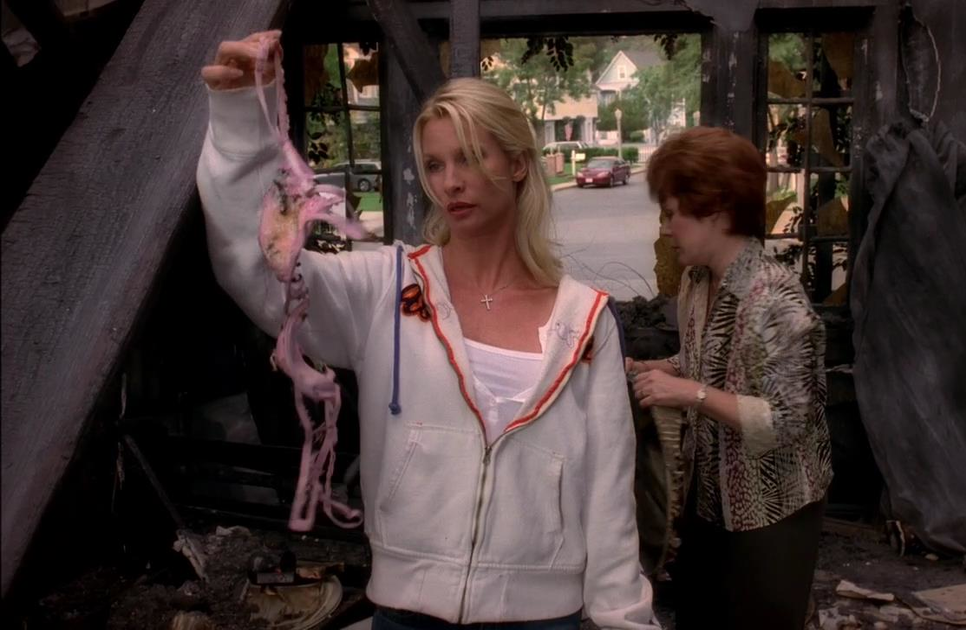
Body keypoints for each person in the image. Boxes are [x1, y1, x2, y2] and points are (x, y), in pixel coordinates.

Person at [198, 31, 659, 630]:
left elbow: (609, 495)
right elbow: (261, 268)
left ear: (519, 163)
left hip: (543, 615)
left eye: (470, 158)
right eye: (436, 165)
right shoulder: (386, 288)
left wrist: (625, 619)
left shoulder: (586, 320)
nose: (450, 182)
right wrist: (244, 121)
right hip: (405, 611)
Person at [626, 126, 832, 629]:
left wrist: (690, 393)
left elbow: (787, 421)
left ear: (716, 209)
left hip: (772, 510)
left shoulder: (776, 301)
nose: (666, 229)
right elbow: (705, 360)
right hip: (709, 497)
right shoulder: (697, 281)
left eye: (672, 213)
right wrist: (656, 369)